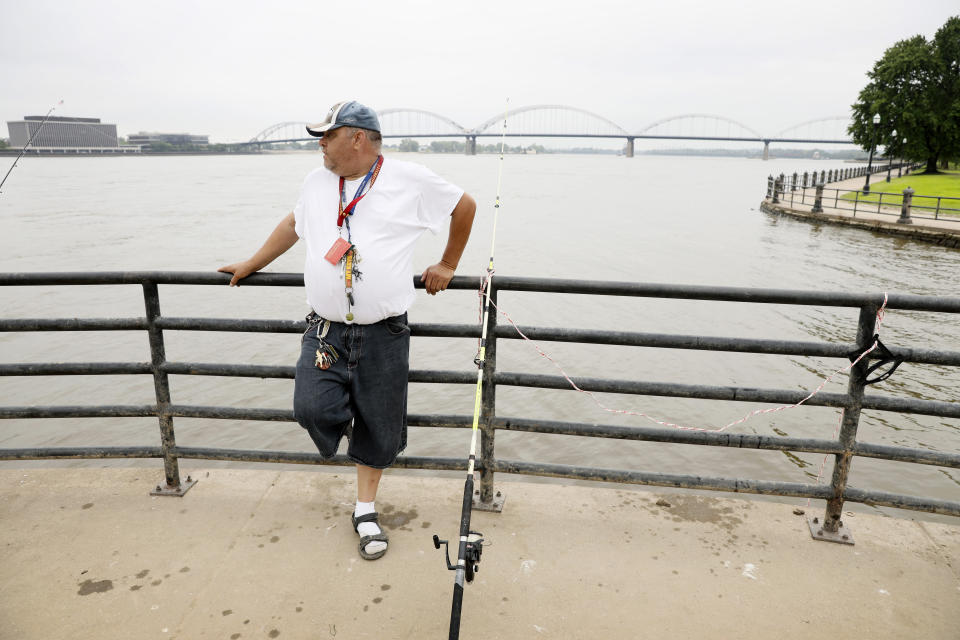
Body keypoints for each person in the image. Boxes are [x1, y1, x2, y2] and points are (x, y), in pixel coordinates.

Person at [219, 100, 476, 560]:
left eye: (326, 134)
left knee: (378, 427)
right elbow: (293, 225)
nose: (319, 143)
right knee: (311, 408)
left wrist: (449, 263)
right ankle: (353, 426)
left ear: (357, 137)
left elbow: (465, 205)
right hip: (324, 330)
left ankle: (365, 510)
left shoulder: (409, 179)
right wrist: (252, 262)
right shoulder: (316, 182)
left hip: (385, 332)